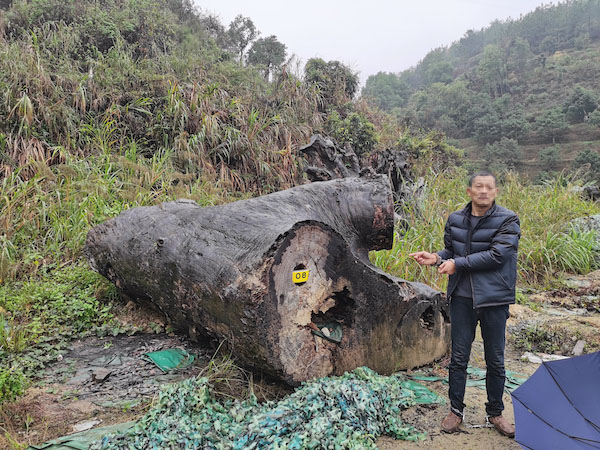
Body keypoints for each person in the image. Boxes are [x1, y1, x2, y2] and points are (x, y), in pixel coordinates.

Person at [409, 170, 520, 438]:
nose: (484, 191)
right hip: (461, 297)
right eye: (478, 187)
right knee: (459, 358)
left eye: (489, 187)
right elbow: (452, 251)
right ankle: (455, 411)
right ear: (469, 191)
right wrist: (436, 257)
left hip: (494, 299)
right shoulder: (456, 219)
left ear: (495, 192)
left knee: (495, 359)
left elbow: (496, 255)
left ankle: (495, 412)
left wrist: (456, 264)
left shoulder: (508, 220)